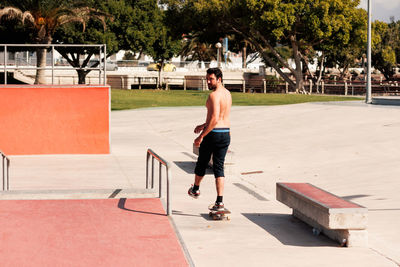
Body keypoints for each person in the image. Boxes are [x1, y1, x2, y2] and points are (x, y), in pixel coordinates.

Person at [188, 68, 232, 211]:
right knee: (219, 167)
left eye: (211, 79)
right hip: (225, 133)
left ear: (219, 79)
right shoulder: (228, 94)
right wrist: (202, 125)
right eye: (207, 78)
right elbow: (220, 118)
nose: (208, 81)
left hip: (213, 133)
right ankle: (220, 201)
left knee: (202, 162)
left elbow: (214, 119)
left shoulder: (214, 95)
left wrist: (201, 136)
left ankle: (195, 189)